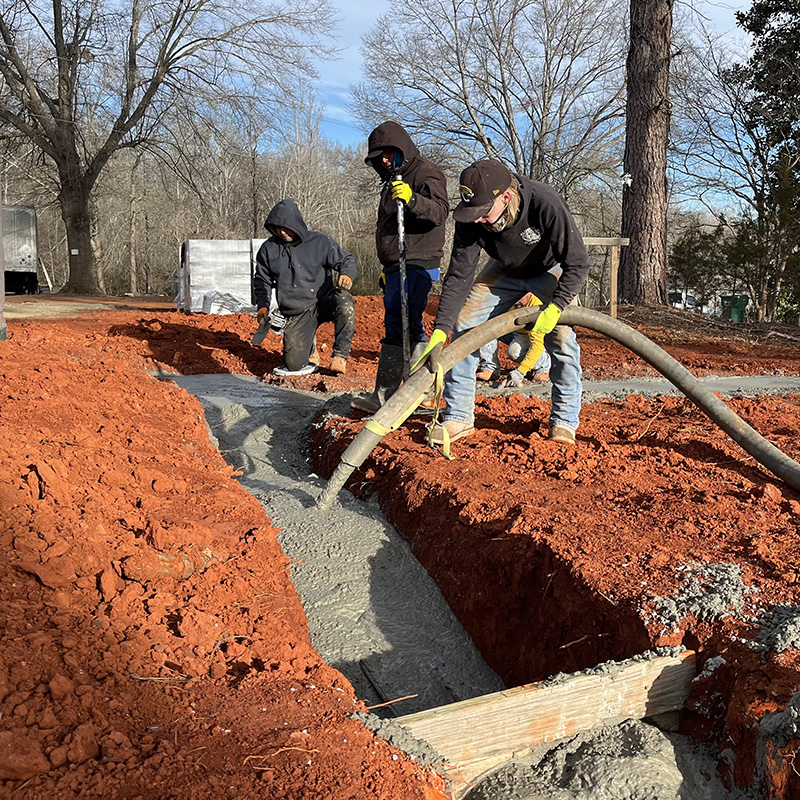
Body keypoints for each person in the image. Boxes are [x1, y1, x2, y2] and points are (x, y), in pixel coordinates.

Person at [413, 159, 590, 445]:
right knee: (465, 326)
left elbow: (578, 263)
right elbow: (459, 275)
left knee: (563, 339)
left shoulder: (545, 203)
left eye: (484, 213)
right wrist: (441, 328)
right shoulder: (473, 218)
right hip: (503, 271)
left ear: (505, 197)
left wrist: (557, 307)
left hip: (548, 269)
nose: (479, 219)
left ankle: (564, 422)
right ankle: (458, 416)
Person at [351, 120, 449, 412]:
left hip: (417, 261)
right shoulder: (391, 180)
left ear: (401, 148)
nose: (383, 159)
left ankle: (414, 394)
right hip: (397, 264)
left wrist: (413, 199)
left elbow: (440, 212)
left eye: (387, 152)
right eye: (378, 156)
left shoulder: (425, 172)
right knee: (399, 322)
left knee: (407, 323)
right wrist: (387, 266)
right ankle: (391, 394)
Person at [254, 198, 357, 377]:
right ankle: (310, 349)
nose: (282, 232)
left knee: (345, 302)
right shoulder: (269, 249)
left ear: (296, 224)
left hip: (324, 300)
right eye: (278, 228)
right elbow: (262, 280)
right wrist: (262, 306)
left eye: (286, 227)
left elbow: (346, 259)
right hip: (298, 311)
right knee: (293, 364)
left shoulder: (319, 242)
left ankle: (340, 355)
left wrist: (346, 274)